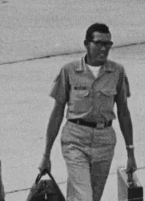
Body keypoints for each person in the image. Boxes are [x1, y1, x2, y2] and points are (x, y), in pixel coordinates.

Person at [40, 23, 135, 201]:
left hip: (104, 141)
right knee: (85, 196)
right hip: (75, 139)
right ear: (86, 44)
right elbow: (57, 113)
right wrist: (46, 154)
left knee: (92, 197)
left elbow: (123, 112)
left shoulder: (117, 72)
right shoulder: (69, 71)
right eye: (98, 43)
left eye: (108, 44)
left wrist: (131, 153)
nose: (104, 48)